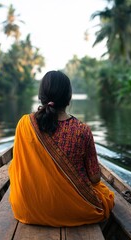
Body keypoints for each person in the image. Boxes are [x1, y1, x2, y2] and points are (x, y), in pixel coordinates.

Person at [8, 70, 114, 227]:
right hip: (76, 211)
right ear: (69, 98)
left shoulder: (24, 124)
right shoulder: (82, 130)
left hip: (27, 209)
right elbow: (94, 178)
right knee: (106, 195)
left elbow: (17, 167)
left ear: (41, 96)